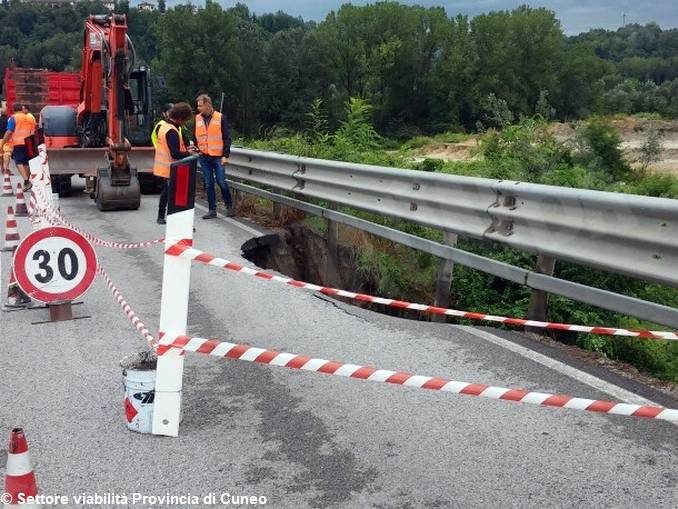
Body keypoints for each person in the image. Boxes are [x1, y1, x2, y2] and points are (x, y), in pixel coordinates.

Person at [152, 102, 196, 224]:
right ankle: (176, 222)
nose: (185, 122)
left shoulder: (166, 126)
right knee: (174, 197)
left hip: (166, 167)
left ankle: (161, 216)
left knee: (166, 193)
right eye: (185, 120)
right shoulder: (172, 131)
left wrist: (187, 149)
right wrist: (189, 154)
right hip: (171, 168)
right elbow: (175, 154)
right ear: (180, 118)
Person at [194, 93, 234, 218]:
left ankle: (229, 206)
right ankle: (212, 210)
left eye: (200, 106)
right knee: (209, 183)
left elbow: (227, 138)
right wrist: (198, 149)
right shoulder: (197, 119)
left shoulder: (220, 117)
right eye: (198, 106)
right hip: (204, 156)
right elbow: (195, 136)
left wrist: (225, 155)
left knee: (221, 182)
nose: (198, 108)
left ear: (208, 105)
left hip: (218, 156)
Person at [0, 102, 36, 191]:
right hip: (30, 143)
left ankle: (27, 181)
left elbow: (9, 132)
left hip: (18, 143)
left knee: (19, 162)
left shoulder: (13, 118)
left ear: (13, 110)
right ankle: (27, 181)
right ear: (21, 108)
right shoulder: (29, 117)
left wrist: (3, 142)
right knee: (26, 162)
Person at [0, 104, 9, 175]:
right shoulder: (8, 120)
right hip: (6, 139)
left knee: (1, 155)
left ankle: (2, 168)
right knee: (7, 154)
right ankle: (6, 169)